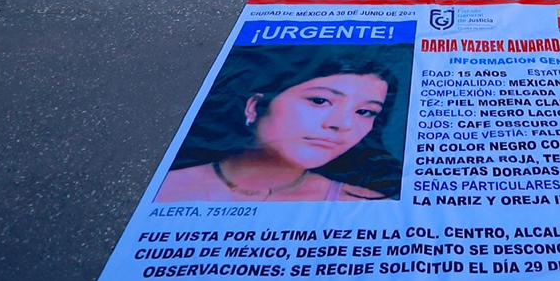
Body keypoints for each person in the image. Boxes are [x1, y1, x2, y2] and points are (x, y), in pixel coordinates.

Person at [153, 54, 398, 203]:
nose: (342, 124)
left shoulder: (366, 205)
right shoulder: (160, 188)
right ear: (255, 106)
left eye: (365, 112)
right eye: (320, 100)